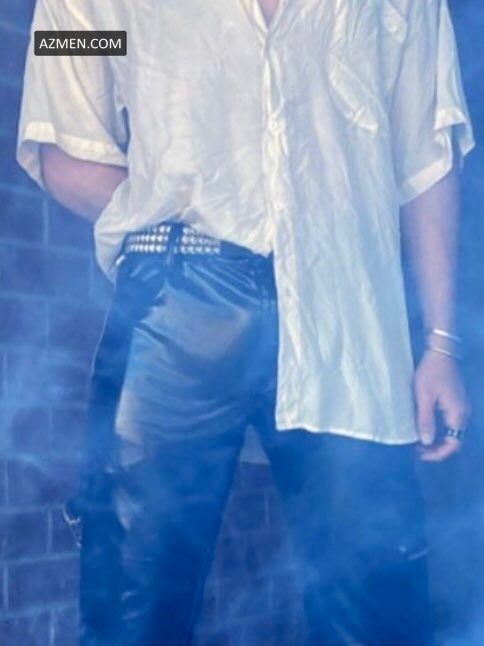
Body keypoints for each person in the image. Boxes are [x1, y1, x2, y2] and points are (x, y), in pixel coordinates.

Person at [17, 0, 475, 643]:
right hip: (176, 299)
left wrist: (441, 342)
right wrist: (168, 208)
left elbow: (427, 148)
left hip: (348, 313)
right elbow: (63, 141)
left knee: (377, 608)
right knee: (131, 604)